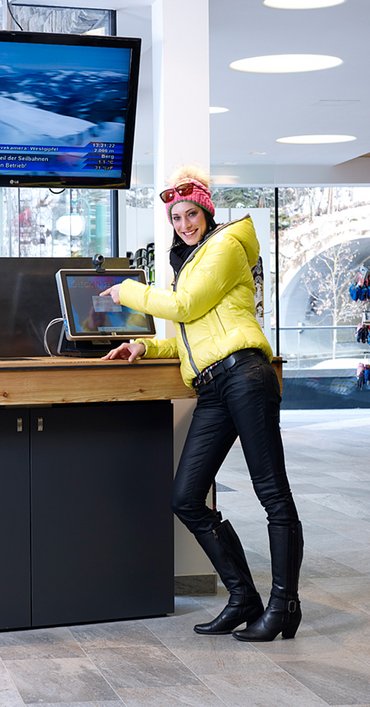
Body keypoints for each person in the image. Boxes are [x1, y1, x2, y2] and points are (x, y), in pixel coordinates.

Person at [100, 165, 303, 642]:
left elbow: (185, 307)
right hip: (212, 385)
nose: (184, 224)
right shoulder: (192, 263)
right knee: (186, 497)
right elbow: (192, 337)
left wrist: (128, 291)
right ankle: (243, 597)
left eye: (191, 214)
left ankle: (283, 604)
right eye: (176, 218)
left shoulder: (225, 247)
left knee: (273, 494)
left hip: (245, 377)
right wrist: (145, 347)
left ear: (207, 213)